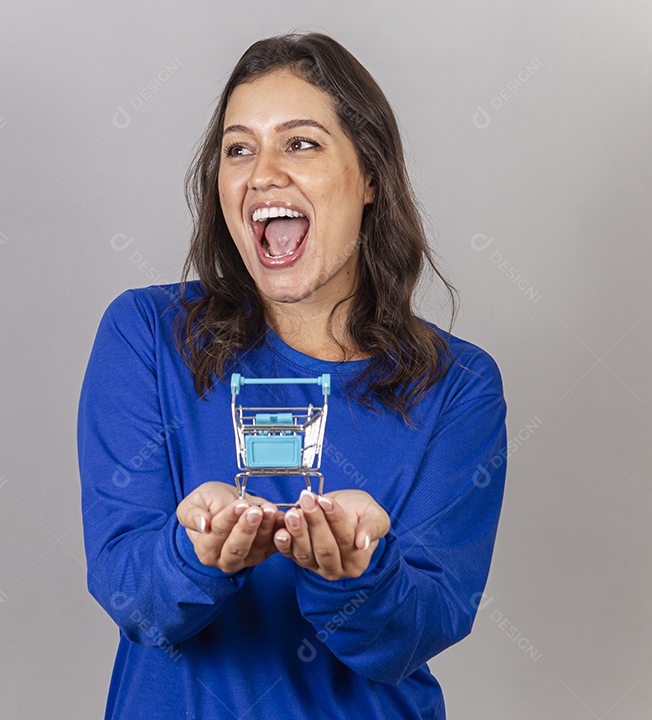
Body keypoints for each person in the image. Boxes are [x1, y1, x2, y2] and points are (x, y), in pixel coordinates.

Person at [78, 31, 508, 720]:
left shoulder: (457, 386)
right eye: (239, 148)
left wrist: (362, 574)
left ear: (369, 176)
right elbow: (134, 599)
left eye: (300, 143)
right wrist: (196, 555)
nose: (262, 173)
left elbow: (421, 629)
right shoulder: (148, 336)